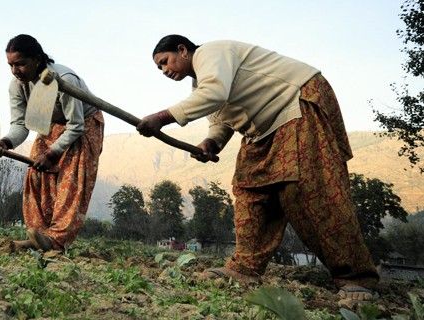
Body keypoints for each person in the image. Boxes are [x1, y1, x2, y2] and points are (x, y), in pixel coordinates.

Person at [136, 35, 379, 305]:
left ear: (182, 50)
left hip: (295, 102)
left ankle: (356, 277)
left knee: (308, 189)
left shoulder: (211, 53)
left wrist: (161, 118)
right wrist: (211, 143)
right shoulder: (200, 84)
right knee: (249, 189)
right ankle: (245, 268)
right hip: (262, 129)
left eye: (165, 61)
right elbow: (220, 119)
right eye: (159, 68)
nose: (164, 70)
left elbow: (214, 94)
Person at [0, 34, 104, 251]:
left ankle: (56, 240)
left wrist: (53, 153)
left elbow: (76, 125)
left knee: (71, 180)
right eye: (11, 65)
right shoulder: (17, 86)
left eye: (21, 64)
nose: (15, 70)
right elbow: (20, 124)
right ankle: (39, 235)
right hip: (50, 125)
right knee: (37, 173)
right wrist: (6, 142)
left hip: (82, 125)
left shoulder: (64, 79)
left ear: (37, 59)